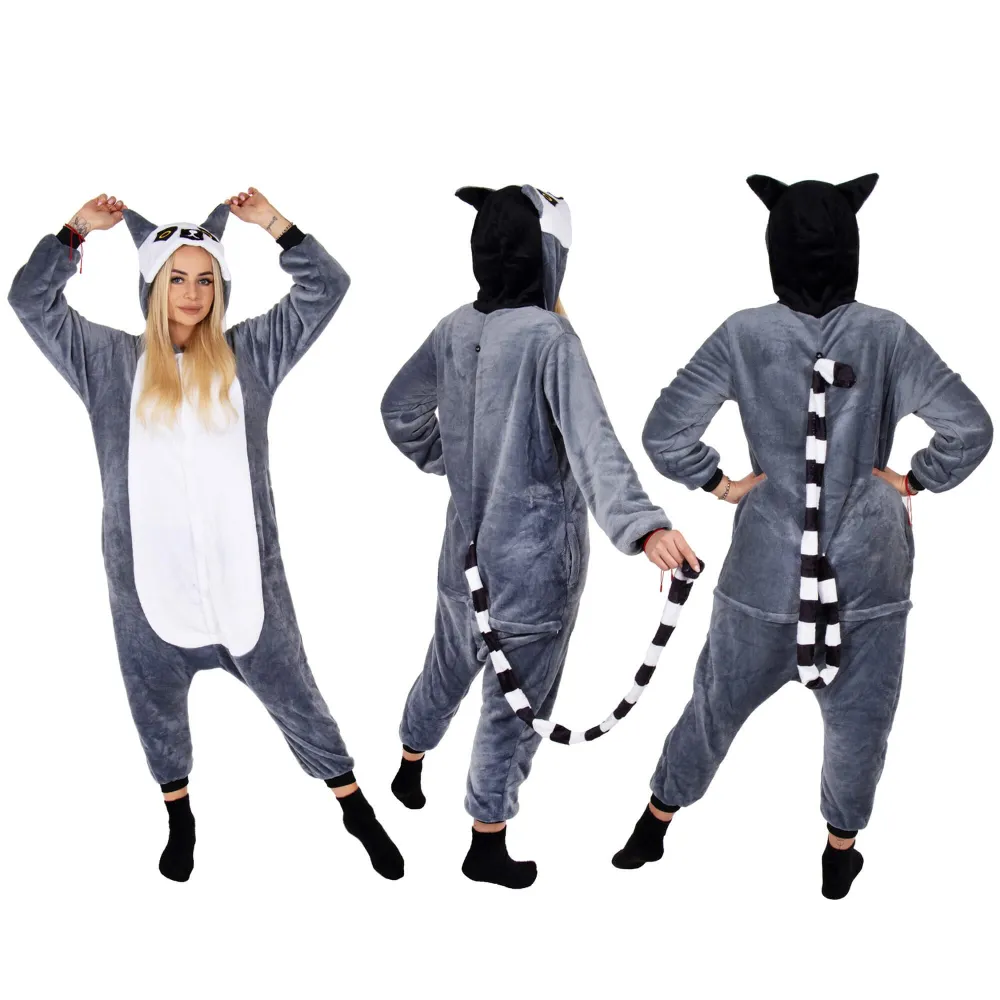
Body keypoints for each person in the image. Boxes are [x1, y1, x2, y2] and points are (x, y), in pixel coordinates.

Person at [611, 173, 992, 898]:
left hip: (765, 566)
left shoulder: (744, 334)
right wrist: (910, 480)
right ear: (851, 248)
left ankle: (654, 824)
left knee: (715, 703)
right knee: (861, 721)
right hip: (868, 569)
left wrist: (722, 484)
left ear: (775, 250)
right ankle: (839, 852)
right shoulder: (887, 334)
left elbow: (664, 433)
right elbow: (970, 428)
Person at [8, 189, 404, 882]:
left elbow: (326, 288)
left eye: (205, 280)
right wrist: (75, 232)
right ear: (152, 286)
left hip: (246, 584)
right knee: (154, 709)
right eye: (177, 279)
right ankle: (179, 817)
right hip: (148, 587)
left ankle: (356, 810)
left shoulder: (250, 355)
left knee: (300, 700)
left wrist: (274, 225)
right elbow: (30, 301)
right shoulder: (108, 363)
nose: (192, 294)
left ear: (221, 287)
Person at [380, 184, 698, 889]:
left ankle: (409, 762)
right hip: (534, 568)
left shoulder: (455, 327)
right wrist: (645, 528)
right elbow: (592, 443)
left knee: (446, 665)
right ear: (549, 254)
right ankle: (486, 843)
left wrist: (459, 463)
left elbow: (399, 409)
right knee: (516, 706)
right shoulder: (551, 340)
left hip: (461, 559)